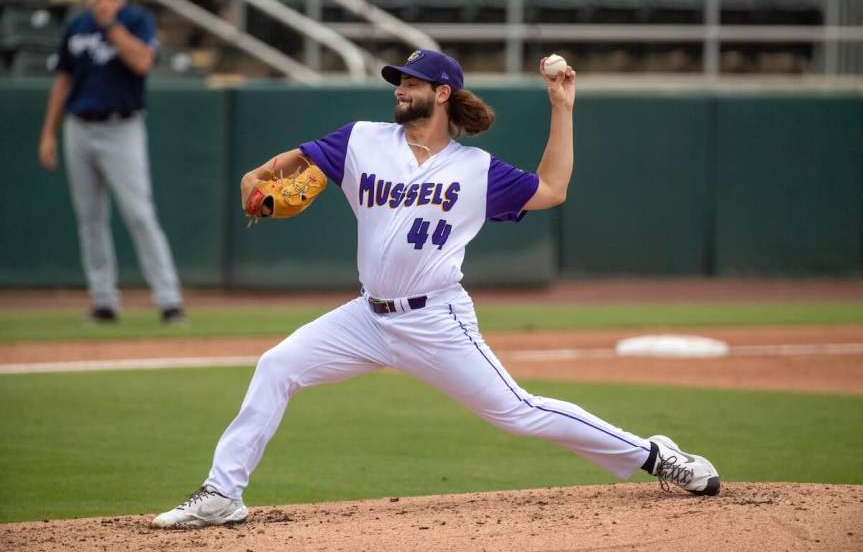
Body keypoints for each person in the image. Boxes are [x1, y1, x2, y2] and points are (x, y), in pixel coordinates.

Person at [152, 49, 719, 528]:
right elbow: (285, 165)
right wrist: (255, 179)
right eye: (398, 82)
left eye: (412, 82)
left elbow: (552, 189)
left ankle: (654, 455)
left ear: (442, 93)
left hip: (435, 319)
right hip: (367, 317)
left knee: (517, 411)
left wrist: (561, 107)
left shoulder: (475, 169)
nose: (400, 89)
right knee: (278, 366)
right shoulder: (361, 140)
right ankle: (223, 493)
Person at [38, 0, 184, 324]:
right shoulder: (77, 24)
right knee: (90, 219)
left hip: (122, 127)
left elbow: (142, 62)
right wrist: (48, 134)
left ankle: (169, 301)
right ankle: (103, 301)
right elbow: (63, 81)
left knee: (140, 214)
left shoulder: (136, 19)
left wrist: (109, 24)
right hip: (79, 126)